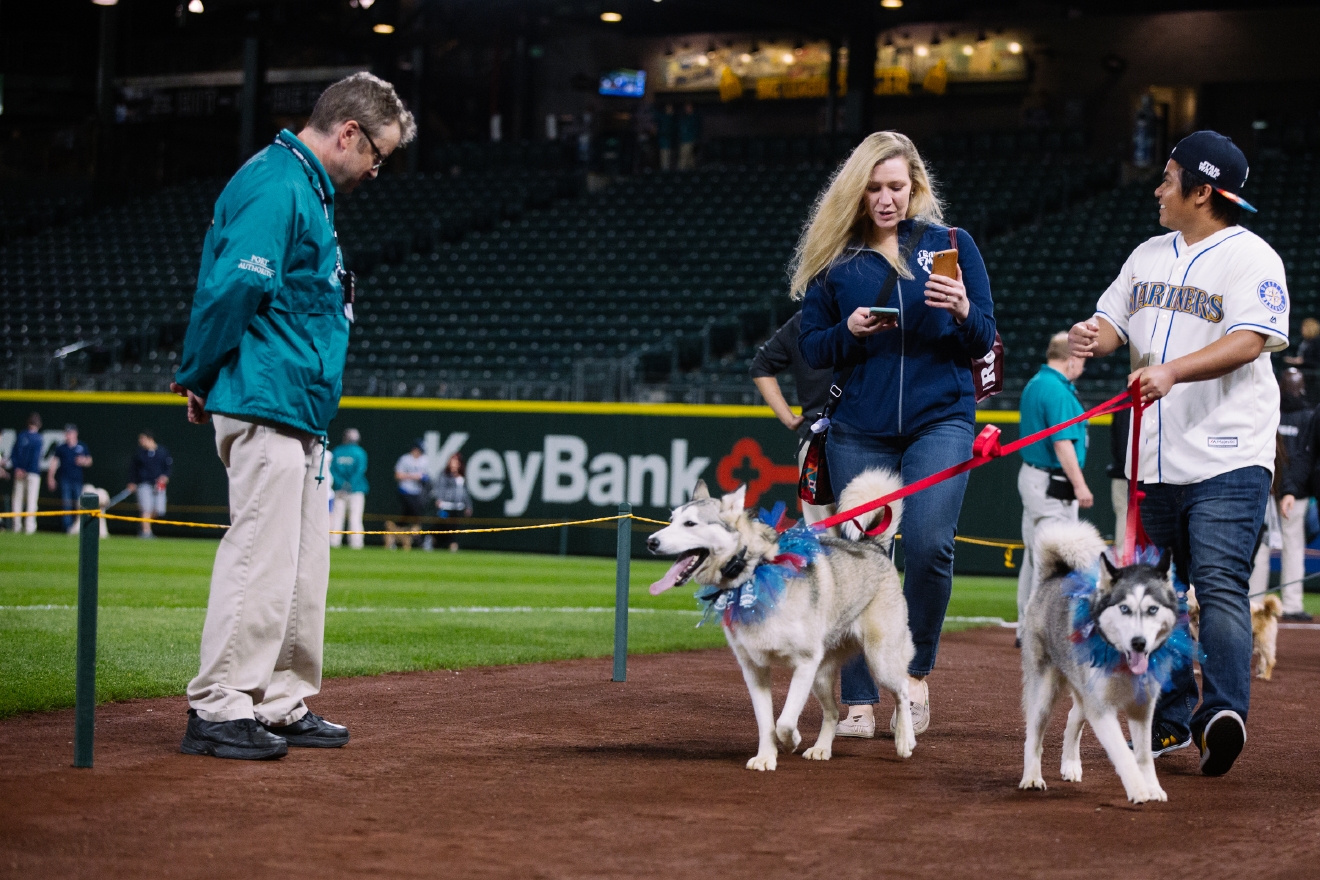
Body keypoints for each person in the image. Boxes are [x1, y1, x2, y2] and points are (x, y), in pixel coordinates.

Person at [171, 72, 415, 760]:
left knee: (304, 570)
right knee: (260, 559)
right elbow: (236, 284)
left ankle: (278, 700)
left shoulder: (307, 189)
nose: (376, 168)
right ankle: (219, 704)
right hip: (264, 397)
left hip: (299, 406)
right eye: (378, 154)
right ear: (348, 132)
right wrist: (197, 373)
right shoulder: (277, 182)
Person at [1069, 130, 1287, 777]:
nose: (1158, 187)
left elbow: (1252, 339)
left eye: (1169, 178)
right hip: (1155, 458)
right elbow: (1114, 320)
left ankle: (1222, 714)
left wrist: (1173, 372)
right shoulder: (1146, 256)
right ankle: (1168, 721)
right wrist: (1094, 336)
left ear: (1201, 190)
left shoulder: (1252, 259)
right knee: (1157, 591)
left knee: (1218, 583)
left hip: (1229, 453)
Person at [796, 130, 998, 739]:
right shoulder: (837, 260)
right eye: (875, 188)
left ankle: (912, 672)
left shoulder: (952, 246)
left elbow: (984, 339)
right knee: (859, 560)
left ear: (915, 186)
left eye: (896, 186)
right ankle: (857, 700)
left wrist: (963, 309)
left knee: (931, 545)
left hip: (942, 419)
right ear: (857, 192)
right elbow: (810, 349)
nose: (886, 199)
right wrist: (848, 331)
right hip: (860, 428)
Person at [1015, 332, 1092, 636]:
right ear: (1072, 359)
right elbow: (1063, 443)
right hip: (1051, 482)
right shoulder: (1056, 390)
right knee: (1050, 557)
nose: (1083, 367)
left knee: (1034, 555)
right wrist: (1081, 485)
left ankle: (1026, 626)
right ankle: (1039, 630)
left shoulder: (1037, 382)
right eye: (1082, 360)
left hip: (1035, 478)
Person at [749, 310, 838, 531]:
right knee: (869, 541)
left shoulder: (804, 318)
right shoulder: (871, 310)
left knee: (822, 538)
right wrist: (788, 418)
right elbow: (761, 366)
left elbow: (761, 365)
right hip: (859, 438)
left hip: (817, 439)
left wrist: (790, 419)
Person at [1265, 368, 1315, 622]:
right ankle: (1292, 604)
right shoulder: (1308, 416)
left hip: (1267, 488)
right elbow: (1305, 457)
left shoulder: (1271, 409)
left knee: (1260, 546)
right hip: (1294, 494)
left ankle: (1254, 601)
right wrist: (1293, 489)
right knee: (1293, 547)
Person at [127, 430, 172, 538]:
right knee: (146, 509)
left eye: (142, 439)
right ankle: (146, 532)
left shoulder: (162, 452)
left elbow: (168, 468)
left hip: (158, 485)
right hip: (143, 484)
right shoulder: (139, 453)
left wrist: (165, 477)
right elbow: (133, 469)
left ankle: (144, 524)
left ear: (150, 439)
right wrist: (132, 482)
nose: (140, 441)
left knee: (159, 510)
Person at [47, 424, 92, 534]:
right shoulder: (61, 448)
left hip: (77, 480)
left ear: (75, 434)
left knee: (78, 504)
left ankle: (78, 526)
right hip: (64, 479)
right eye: (67, 433)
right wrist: (50, 478)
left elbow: (89, 461)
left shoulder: (82, 446)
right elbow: (54, 463)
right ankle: (67, 528)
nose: (68, 435)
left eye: (70, 433)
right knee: (66, 504)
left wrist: (83, 461)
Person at [329, 428, 369, 549]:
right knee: (355, 517)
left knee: (337, 517)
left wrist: (342, 484)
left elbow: (332, 471)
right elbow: (360, 470)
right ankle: (356, 543)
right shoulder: (360, 452)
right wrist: (349, 484)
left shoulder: (337, 451)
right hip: (356, 490)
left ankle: (334, 542)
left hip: (340, 489)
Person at [8, 413, 43, 534]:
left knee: (17, 500)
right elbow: (35, 458)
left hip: (20, 472)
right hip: (32, 473)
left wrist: (18, 468)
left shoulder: (21, 435)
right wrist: (25, 470)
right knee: (31, 501)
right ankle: (29, 528)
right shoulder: (38, 438)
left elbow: (13, 454)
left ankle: (16, 526)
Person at [432, 453, 473, 552]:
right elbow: (440, 487)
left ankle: (452, 545)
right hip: (446, 506)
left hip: (458, 507)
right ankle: (433, 541)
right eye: (452, 461)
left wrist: (468, 506)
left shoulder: (462, 476)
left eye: (456, 462)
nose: (453, 464)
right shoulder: (445, 474)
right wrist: (439, 499)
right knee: (442, 525)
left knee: (454, 527)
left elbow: (465, 492)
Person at [395, 439, 431, 548]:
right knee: (414, 513)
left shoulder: (424, 460)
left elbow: (426, 476)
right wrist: (413, 476)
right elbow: (398, 475)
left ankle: (395, 534)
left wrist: (422, 478)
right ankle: (417, 538)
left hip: (417, 492)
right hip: (405, 490)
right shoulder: (405, 459)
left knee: (407, 516)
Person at [1108, 407, 1132, 551]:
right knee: (1126, 517)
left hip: (1129, 474)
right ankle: (1124, 567)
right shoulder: (1128, 401)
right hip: (1127, 477)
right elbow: (1125, 443)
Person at [677, 102, 699, 170]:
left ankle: (680, 174)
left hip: (689, 140)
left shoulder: (693, 118)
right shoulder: (684, 118)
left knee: (683, 159)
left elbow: (696, 129)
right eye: (686, 107)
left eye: (689, 107)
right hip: (683, 140)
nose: (687, 109)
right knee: (689, 159)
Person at [657, 104, 675, 171]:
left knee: (670, 161)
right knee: (664, 161)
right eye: (668, 108)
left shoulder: (673, 118)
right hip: (664, 143)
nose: (669, 110)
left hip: (671, 143)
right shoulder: (663, 118)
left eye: (670, 108)